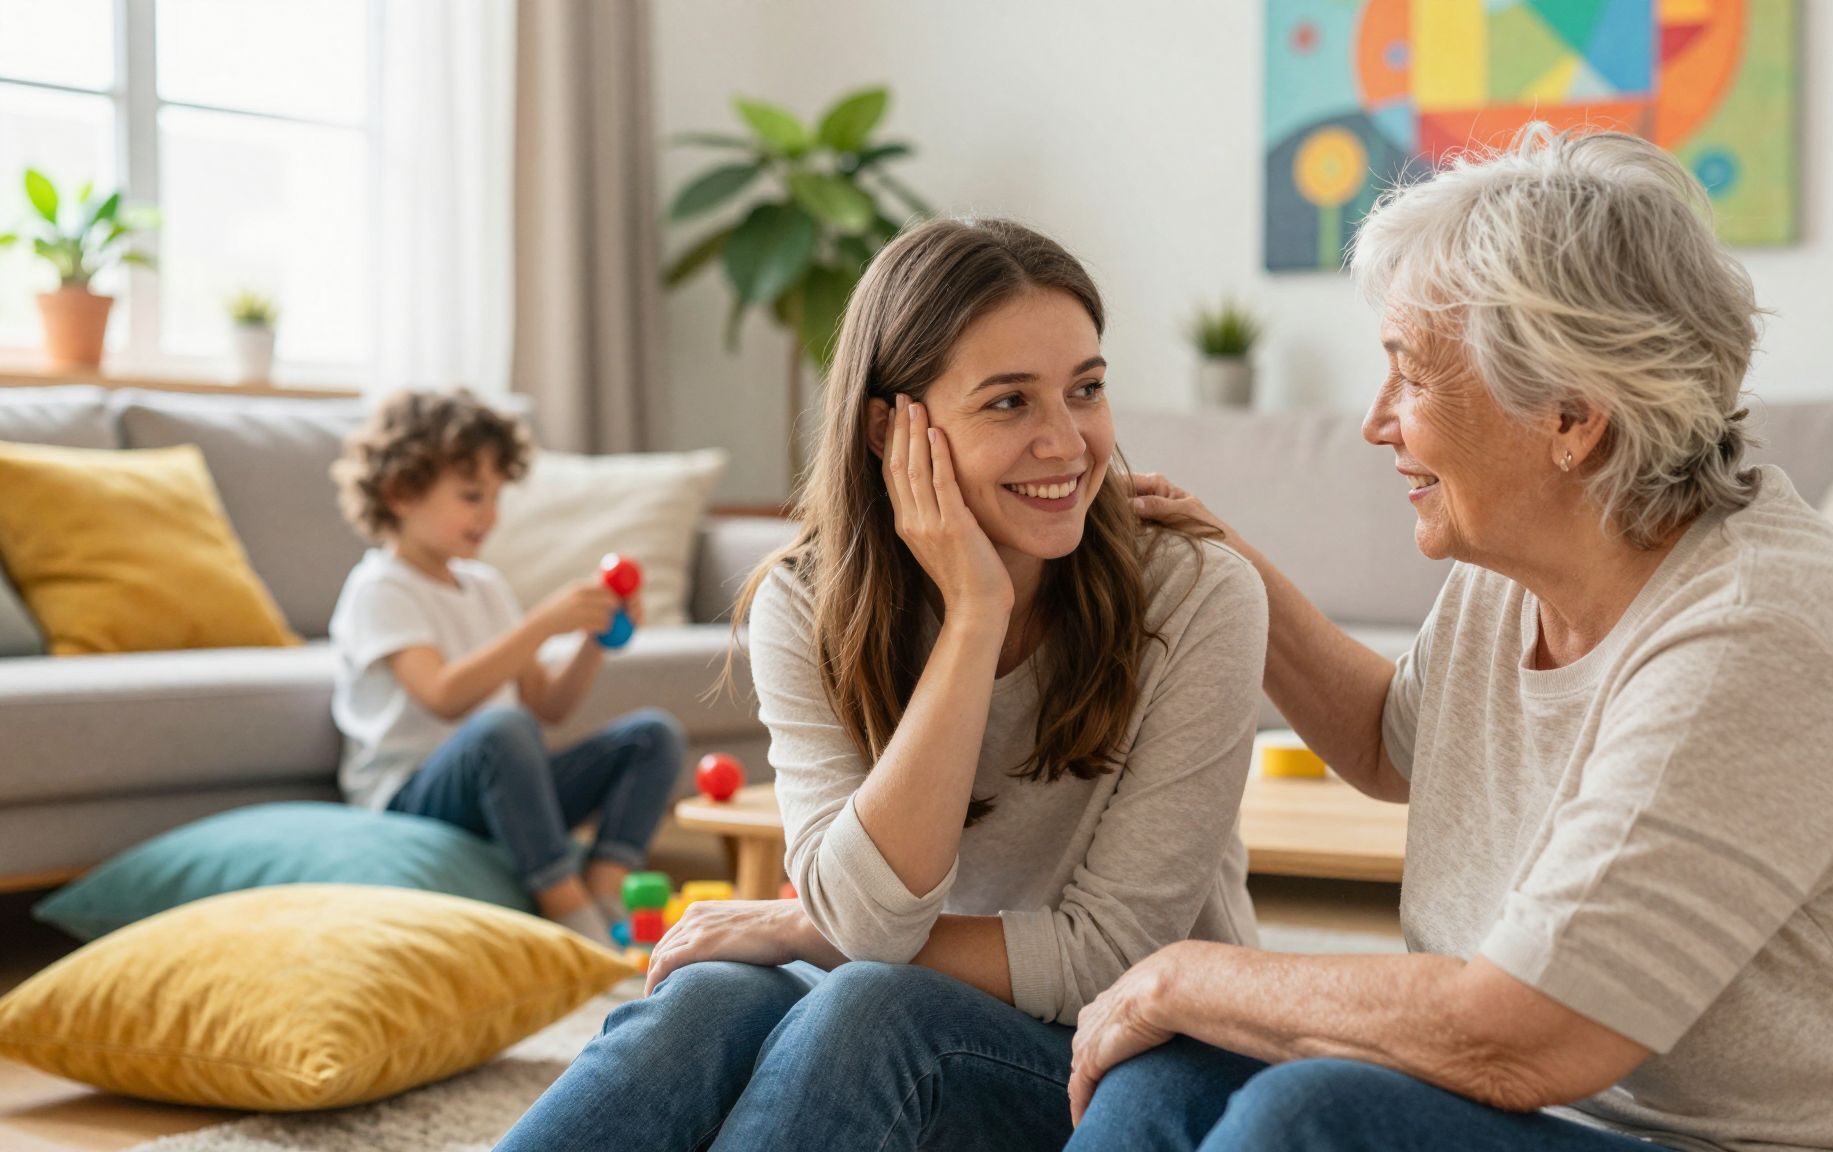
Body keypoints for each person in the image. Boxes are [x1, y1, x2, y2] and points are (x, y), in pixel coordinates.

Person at [1066, 126, 1833, 1151]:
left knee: (1306, 1119)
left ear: (1569, 418)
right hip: (1590, 1125)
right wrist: (1215, 558)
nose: (1374, 420)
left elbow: (1522, 1040)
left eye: (1409, 375)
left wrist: (1180, 972)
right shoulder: (1524, 567)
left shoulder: (1755, 635)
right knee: (1163, 1077)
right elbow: (1390, 744)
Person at [496, 217, 1268, 1151]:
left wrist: (803, 931)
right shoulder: (806, 599)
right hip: (913, 985)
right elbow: (866, 916)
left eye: (1086, 390)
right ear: (890, 427)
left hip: (1139, 1047)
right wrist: (973, 617)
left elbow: (1112, 952)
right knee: (706, 1001)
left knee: (868, 1002)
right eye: (1009, 403)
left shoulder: (1194, 595)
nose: (1067, 442)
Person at [329, 389, 683, 945]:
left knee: (652, 735)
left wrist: (593, 641)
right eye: (472, 496)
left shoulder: (486, 588)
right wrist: (542, 624)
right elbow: (442, 695)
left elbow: (549, 706)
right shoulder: (380, 588)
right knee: (502, 729)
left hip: (503, 787)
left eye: (495, 497)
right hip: (412, 795)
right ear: (400, 493)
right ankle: (567, 911)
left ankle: (605, 886)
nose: (490, 515)